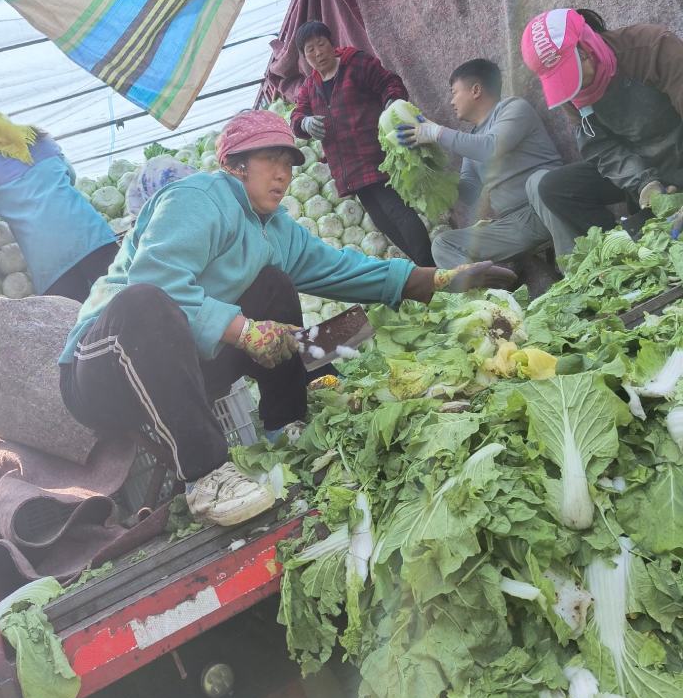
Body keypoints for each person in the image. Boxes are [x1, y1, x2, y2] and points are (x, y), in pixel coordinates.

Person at [58, 110, 516, 528]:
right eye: (271, 161)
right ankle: (207, 479)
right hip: (103, 367)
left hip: (182, 366)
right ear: (236, 164)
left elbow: (342, 269)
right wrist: (244, 330)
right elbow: (156, 281)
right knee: (145, 301)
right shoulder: (198, 199)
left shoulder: (273, 228)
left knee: (274, 284)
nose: (283, 175)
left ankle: (286, 427)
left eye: (289, 165)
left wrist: (435, 281)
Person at [520, 8, 683, 258]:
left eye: (572, 75)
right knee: (554, 187)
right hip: (640, 164)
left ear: (586, 51)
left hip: (677, 151)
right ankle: (629, 250)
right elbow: (602, 150)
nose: (573, 90)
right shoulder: (570, 92)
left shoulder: (652, 47)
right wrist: (643, 182)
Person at [290, 21, 434, 265]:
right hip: (347, 166)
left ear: (331, 43)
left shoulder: (355, 63)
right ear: (304, 57)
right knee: (382, 219)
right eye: (309, 50)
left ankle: (430, 268)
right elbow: (297, 115)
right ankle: (424, 267)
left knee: (396, 210)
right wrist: (304, 123)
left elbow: (390, 83)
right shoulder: (309, 86)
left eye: (321, 44)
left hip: (375, 154)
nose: (317, 53)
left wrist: (392, 103)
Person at [395, 59, 562, 267]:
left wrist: (435, 132)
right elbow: (469, 193)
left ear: (475, 90)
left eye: (454, 92)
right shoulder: (472, 139)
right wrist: (430, 172)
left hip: (548, 206)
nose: (451, 101)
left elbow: (489, 148)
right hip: (515, 225)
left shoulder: (514, 108)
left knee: (539, 181)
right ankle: (496, 290)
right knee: (442, 244)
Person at [0, 111, 118, 302]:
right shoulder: (40, 141)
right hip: (89, 235)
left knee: (77, 320)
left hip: (48, 262)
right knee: (122, 294)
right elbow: (70, 176)